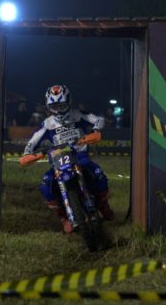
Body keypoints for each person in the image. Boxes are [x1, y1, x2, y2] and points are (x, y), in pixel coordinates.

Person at [20, 84, 114, 233]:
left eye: (61, 105)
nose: (58, 109)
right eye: (54, 106)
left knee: (98, 173)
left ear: (69, 102)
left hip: (80, 156)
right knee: (45, 185)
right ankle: (63, 217)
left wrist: (95, 130)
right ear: (49, 106)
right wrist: (27, 153)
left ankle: (103, 204)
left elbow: (99, 120)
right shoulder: (47, 124)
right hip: (58, 160)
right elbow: (33, 140)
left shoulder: (78, 115)